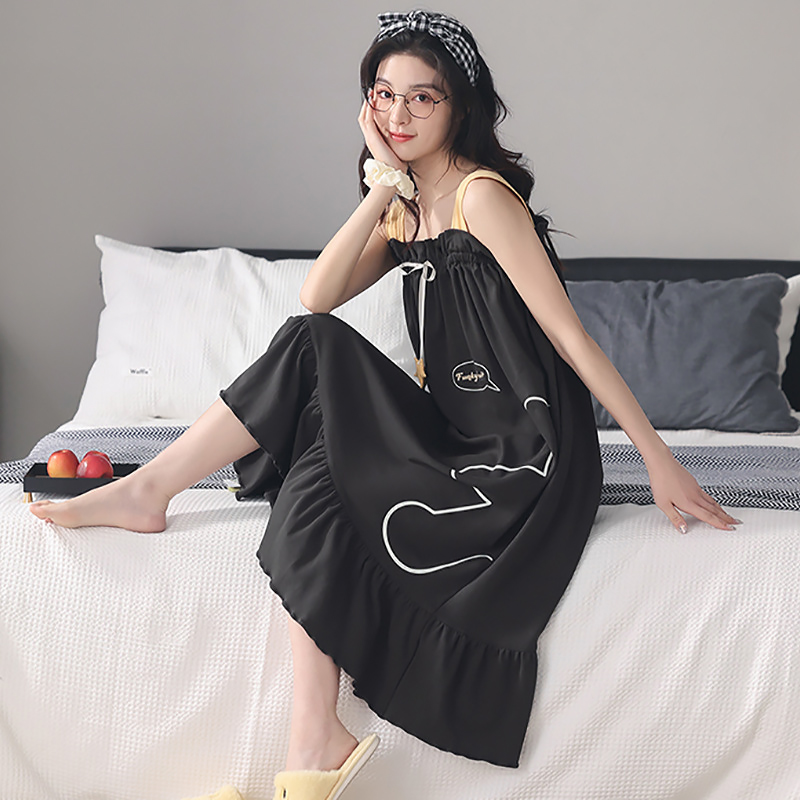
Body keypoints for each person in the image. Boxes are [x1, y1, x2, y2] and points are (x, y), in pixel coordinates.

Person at [30, 9, 741, 800]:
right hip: (453, 429)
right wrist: (381, 186)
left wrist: (655, 455)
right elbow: (319, 292)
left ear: (458, 107)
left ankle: (149, 491)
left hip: (521, 449)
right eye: (382, 95)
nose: (399, 114)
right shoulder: (404, 207)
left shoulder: (482, 197)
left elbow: (570, 338)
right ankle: (315, 742)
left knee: (312, 352)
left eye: (422, 98)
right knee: (317, 464)